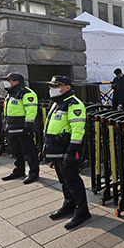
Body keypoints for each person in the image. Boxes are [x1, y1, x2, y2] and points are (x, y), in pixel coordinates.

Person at [43, 75, 91, 229]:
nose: (52, 89)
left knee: (73, 181)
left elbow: (78, 131)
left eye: (56, 86)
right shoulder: (58, 103)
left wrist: (71, 152)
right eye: (51, 86)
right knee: (64, 181)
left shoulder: (74, 104)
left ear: (67, 87)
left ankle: (82, 211)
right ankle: (69, 205)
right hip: (56, 150)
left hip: (66, 150)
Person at [0, 72, 40, 184]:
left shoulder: (27, 93)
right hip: (11, 127)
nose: (6, 83)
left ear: (16, 82)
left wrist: (28, 126)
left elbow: (31, 111)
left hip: (22, 127)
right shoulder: (10, 93)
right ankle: (19, 170)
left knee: (29, 151)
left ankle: (33, 172)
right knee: (16, 151)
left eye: (9, 80)